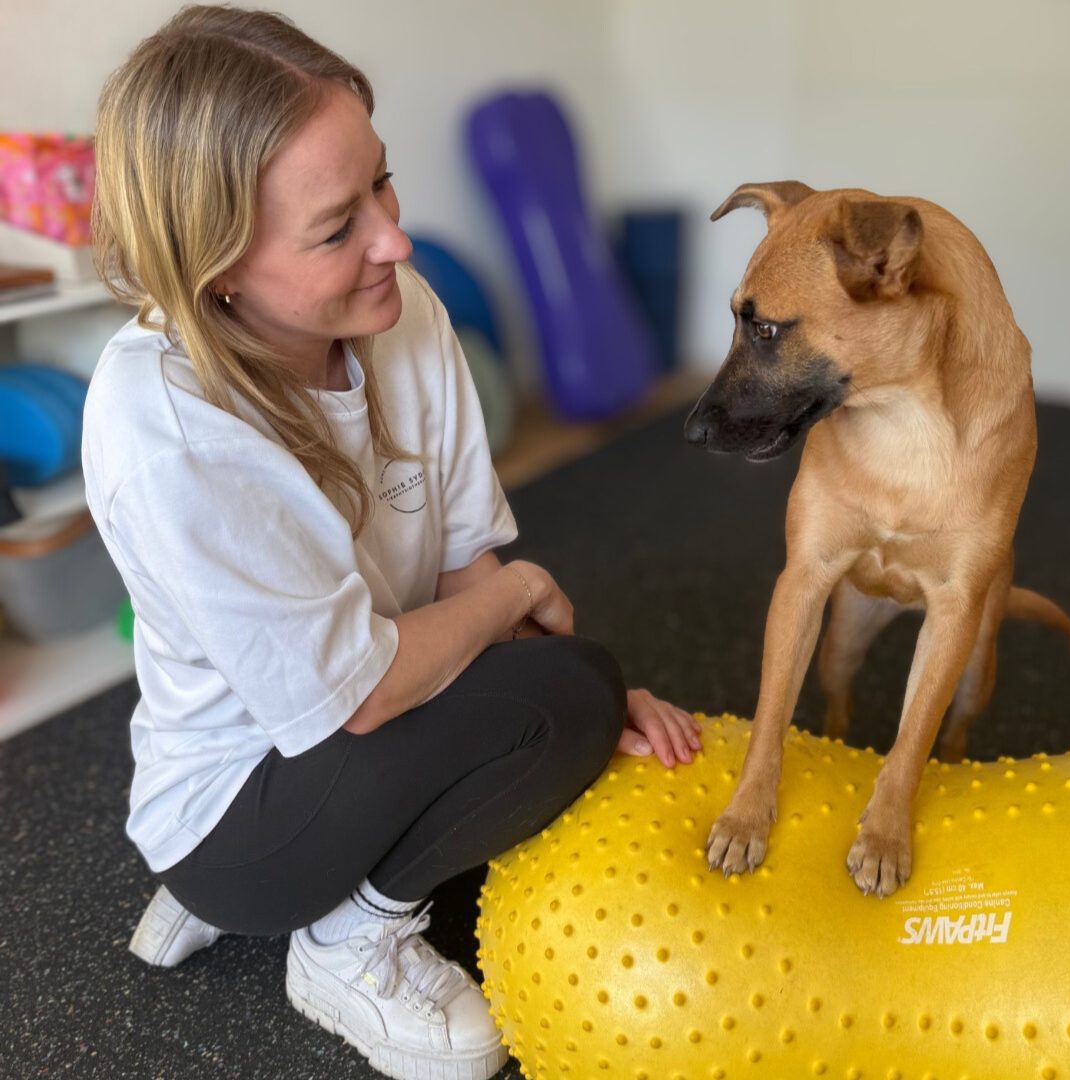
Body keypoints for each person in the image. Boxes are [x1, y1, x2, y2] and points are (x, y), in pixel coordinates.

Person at [85, 7, 701, 1079]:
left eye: (383, 181)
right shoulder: (167, 428)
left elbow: (464, 558)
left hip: (371, 698)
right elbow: (367, 691)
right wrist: (527, 619)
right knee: (568, 694)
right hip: (239, 813)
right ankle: (342, 941)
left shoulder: (400, 308)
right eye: (338, 229)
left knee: (575, 691)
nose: (396, 240)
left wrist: (566, 697)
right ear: (218, 268)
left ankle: (342, 875)